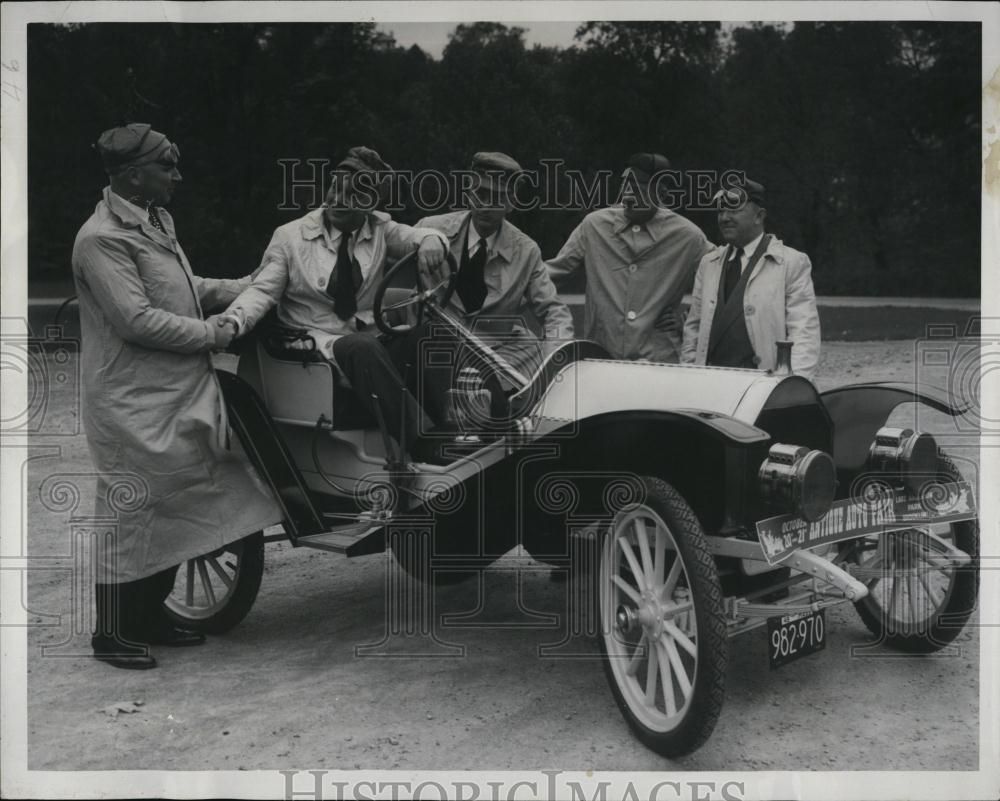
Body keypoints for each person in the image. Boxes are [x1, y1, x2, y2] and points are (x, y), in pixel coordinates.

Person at [71, 123, 282, 670]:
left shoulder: (156, 222)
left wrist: (245, 286)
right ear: (134, 174)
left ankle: (148, 617)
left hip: (176, 392)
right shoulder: (101, 240)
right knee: (134, 511)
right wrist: (215, 334)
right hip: (130, 401)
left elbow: (182, 292)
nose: (177, 176)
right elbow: (137, 320)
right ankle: (112, 632)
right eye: (168, 166)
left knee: (182, 503)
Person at [221, 146, 449, 460]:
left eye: (354, 194)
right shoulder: (291, 237)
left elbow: (417, 234)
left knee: (427, 334)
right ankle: (423, 444)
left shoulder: (380, 229)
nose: (339, 199)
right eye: (334, 188)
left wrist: (432, 240)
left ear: (371, 204)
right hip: (317, 349)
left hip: (370, 349)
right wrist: (232, 321)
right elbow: (261, 292)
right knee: (360, 346)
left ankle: (456, 426)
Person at [416, 151, 574, 392]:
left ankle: (497, 405)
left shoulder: (526, 251)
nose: (486, 205)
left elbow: (552, 309)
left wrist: (555, 358)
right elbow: (391, 242)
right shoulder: (431, 228)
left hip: (492, 352)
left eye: (498, 197)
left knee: (533, 349)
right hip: (434, 347)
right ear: (469, 194)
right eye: (480, 194)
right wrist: (422, 239)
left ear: (511, 203)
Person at [546, 153, 710, 362]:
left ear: (662, 191)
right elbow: (549, 276)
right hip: (600, 358)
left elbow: (722, 276)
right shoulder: (594, 226)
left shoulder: (688, 236)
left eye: (639, 188)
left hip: (659, 362)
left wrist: (689, 321)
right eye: (625, 186)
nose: (628, 195)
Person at [681, 177, 821, 379]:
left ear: (759, 216)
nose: (725, 217)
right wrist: (689, 376)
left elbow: (804, 333)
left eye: (734, 210)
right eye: (721, 211)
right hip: (709, 384)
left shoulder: (791, 263)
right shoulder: (708, 264)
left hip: (763, 387)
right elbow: (693, 330)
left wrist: (790, 386)